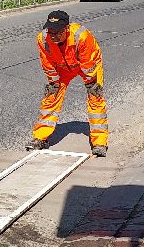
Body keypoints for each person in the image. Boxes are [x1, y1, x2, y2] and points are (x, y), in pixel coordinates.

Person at [26, 9, 108, 156]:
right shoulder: (43, 39)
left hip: (87, 65)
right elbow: (48, 64)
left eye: (58, 32)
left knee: (95, 97)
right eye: (51, 31)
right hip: (62, 68)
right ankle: (40, 138)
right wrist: (54, 82)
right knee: (51, 97)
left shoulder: (82, 36)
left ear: (67, 28)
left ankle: (99, 142)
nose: (54, 36)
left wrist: (91, 83)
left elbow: (88, 64)